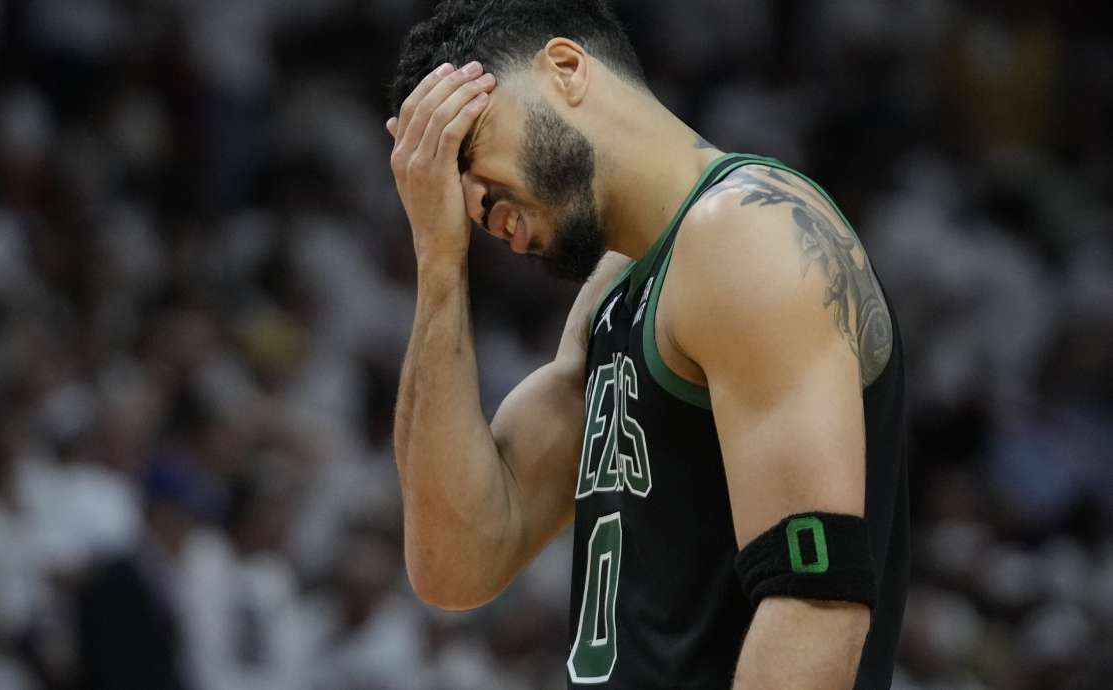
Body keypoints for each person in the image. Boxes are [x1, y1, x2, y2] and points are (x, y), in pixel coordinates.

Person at [385, 2, 909, 689]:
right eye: (454, 192)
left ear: (566, 69)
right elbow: (456, 563)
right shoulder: (615, 291)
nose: (476, 205)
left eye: (470, 146)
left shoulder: (751, 235)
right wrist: (439, 261)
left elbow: (813, 603)